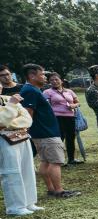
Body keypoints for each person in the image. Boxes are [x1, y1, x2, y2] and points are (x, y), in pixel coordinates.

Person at [21, 63, 82, 197]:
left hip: (43, 131)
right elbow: (28, 112)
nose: (45, 77)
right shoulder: (30, 90)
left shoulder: (33, 89)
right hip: (45, 132)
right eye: (42, 74)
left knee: (46, 161)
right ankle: (59, 191)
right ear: (32, 76)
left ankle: (51, 189)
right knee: (55, 161)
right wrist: (27, 129)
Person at [0, 92, 40, 216]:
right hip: (4, 140)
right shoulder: (11, 101)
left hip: (21, 136)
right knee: (12, 172)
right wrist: (12, 106)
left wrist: (10, 123)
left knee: (27, 169)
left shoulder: (7, 98)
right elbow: (1, 121)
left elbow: (27, 118)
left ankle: (29, 202)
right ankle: (15, 206)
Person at [42, 71, 82, 165]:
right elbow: (45, 106)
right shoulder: (47, 92)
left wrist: (73, 105)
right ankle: (59, 160)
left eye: (56, 79)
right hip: (56, 118)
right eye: (52, 80)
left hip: (70, 117)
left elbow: (78, 102)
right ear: (49, 82)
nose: (54, 81)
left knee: (71, 138)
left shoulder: (69, 91)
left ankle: (71, 159)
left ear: (61, 81)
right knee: (59, 139)